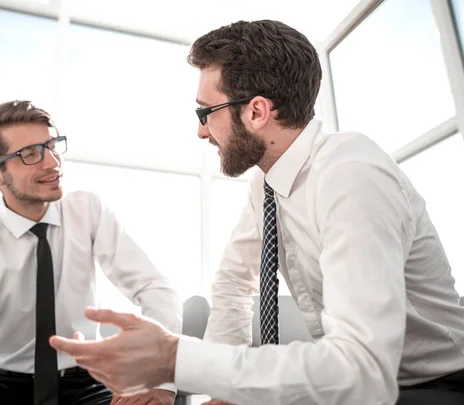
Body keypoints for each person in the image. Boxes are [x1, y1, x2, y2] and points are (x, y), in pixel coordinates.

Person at [49, 19, 464, 405]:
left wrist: (176, 359)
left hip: (430, 385)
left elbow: (364, 372)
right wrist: (216, 389)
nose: (199, 130)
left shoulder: (351, 177)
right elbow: (233, 284)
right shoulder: (268, 181)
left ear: (256, 111)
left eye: (204, 112)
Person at [0, 100, 181, 405]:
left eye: (53, 146)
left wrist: (157, 377)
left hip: (88, 383)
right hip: (7, 387)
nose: (52, 163)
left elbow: (153, 288)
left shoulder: (88, 211)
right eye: (30, 154)